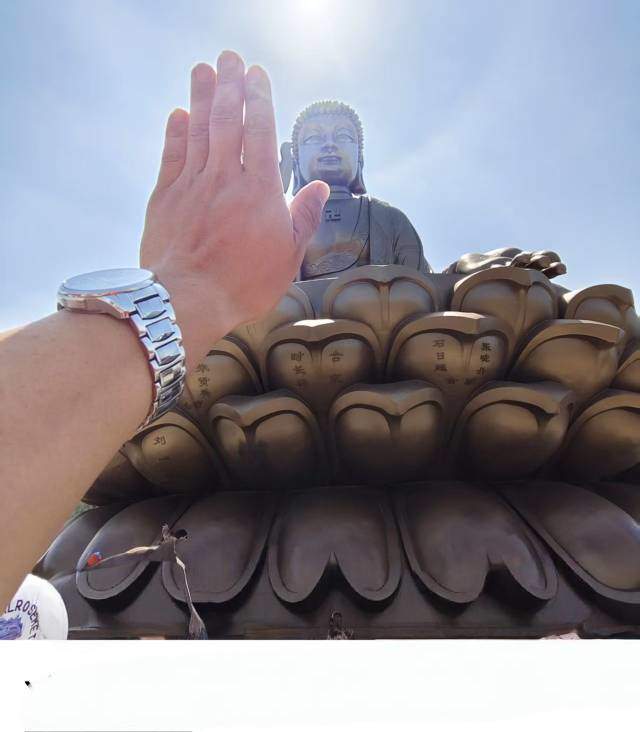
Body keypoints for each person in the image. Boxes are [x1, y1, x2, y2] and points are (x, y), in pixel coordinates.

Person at [0, 49, 330, 609]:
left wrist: (180, 285)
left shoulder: (381, 216)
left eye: (343, 138)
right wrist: (191, 289)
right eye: (317, 139)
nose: (331, 147)